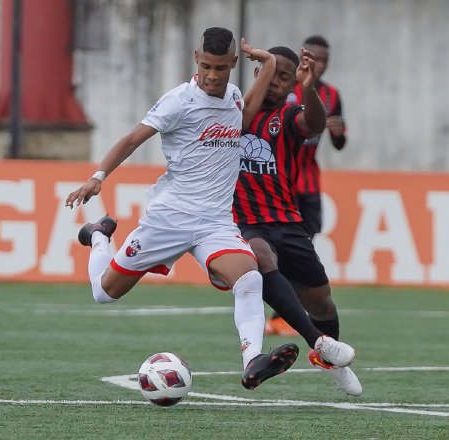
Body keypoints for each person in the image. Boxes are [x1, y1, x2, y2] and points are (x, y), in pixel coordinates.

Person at [65, 28, 309, 391]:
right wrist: (98, 176)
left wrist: (271, 63)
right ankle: (98, 236)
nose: (213, 75)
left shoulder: (234, 97)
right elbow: (133, 139)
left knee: (250, 277)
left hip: (215, 223)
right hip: (169, 219)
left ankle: (253, 360)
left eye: (221, 68)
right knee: (104, 292)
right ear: (197, 58)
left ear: (233, 65)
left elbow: (241, 121)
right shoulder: (179, 101)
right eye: (207, 66)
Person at [233, 45, 362, 395]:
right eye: (270, 73)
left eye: (285, 78)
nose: (275, 82)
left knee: (321, 301)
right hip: (244, 222)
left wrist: (309, 88)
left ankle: (329, 357)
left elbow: (315, 124)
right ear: (259, 73)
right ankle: (318, 343)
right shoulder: (234, 112)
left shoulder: (287, 118)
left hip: (287, 221)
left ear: (293, 85)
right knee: (261, 258)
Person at [265, 35, 347, 337]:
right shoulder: (285, 89)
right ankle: (280, 316)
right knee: (273, 253)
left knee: (301, 252)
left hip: (309, 184)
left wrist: (337, 133)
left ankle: (283, 316)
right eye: (314, 58)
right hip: (280, 184)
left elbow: (339, 141)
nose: (320, 64)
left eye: (325, 59)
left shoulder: (332, 94)